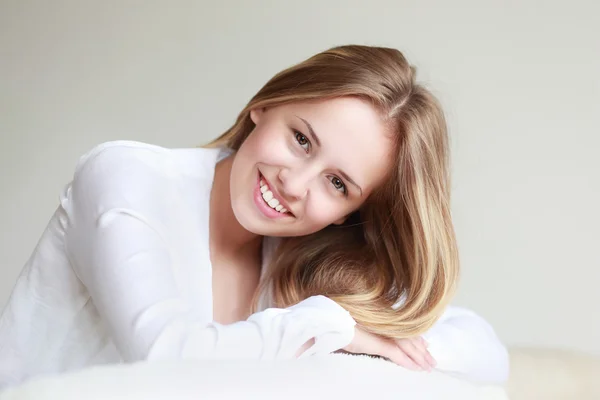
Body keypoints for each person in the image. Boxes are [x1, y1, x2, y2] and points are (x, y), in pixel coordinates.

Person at [0, 45, 509, 388]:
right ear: (265, 106)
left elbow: (485, 353)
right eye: (301, 139)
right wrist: (333, 330)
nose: (294, 182)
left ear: (351, 213)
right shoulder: (127, 176)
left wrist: (376, 343)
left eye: (337, 184)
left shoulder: (304, 261)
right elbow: (163, 357)